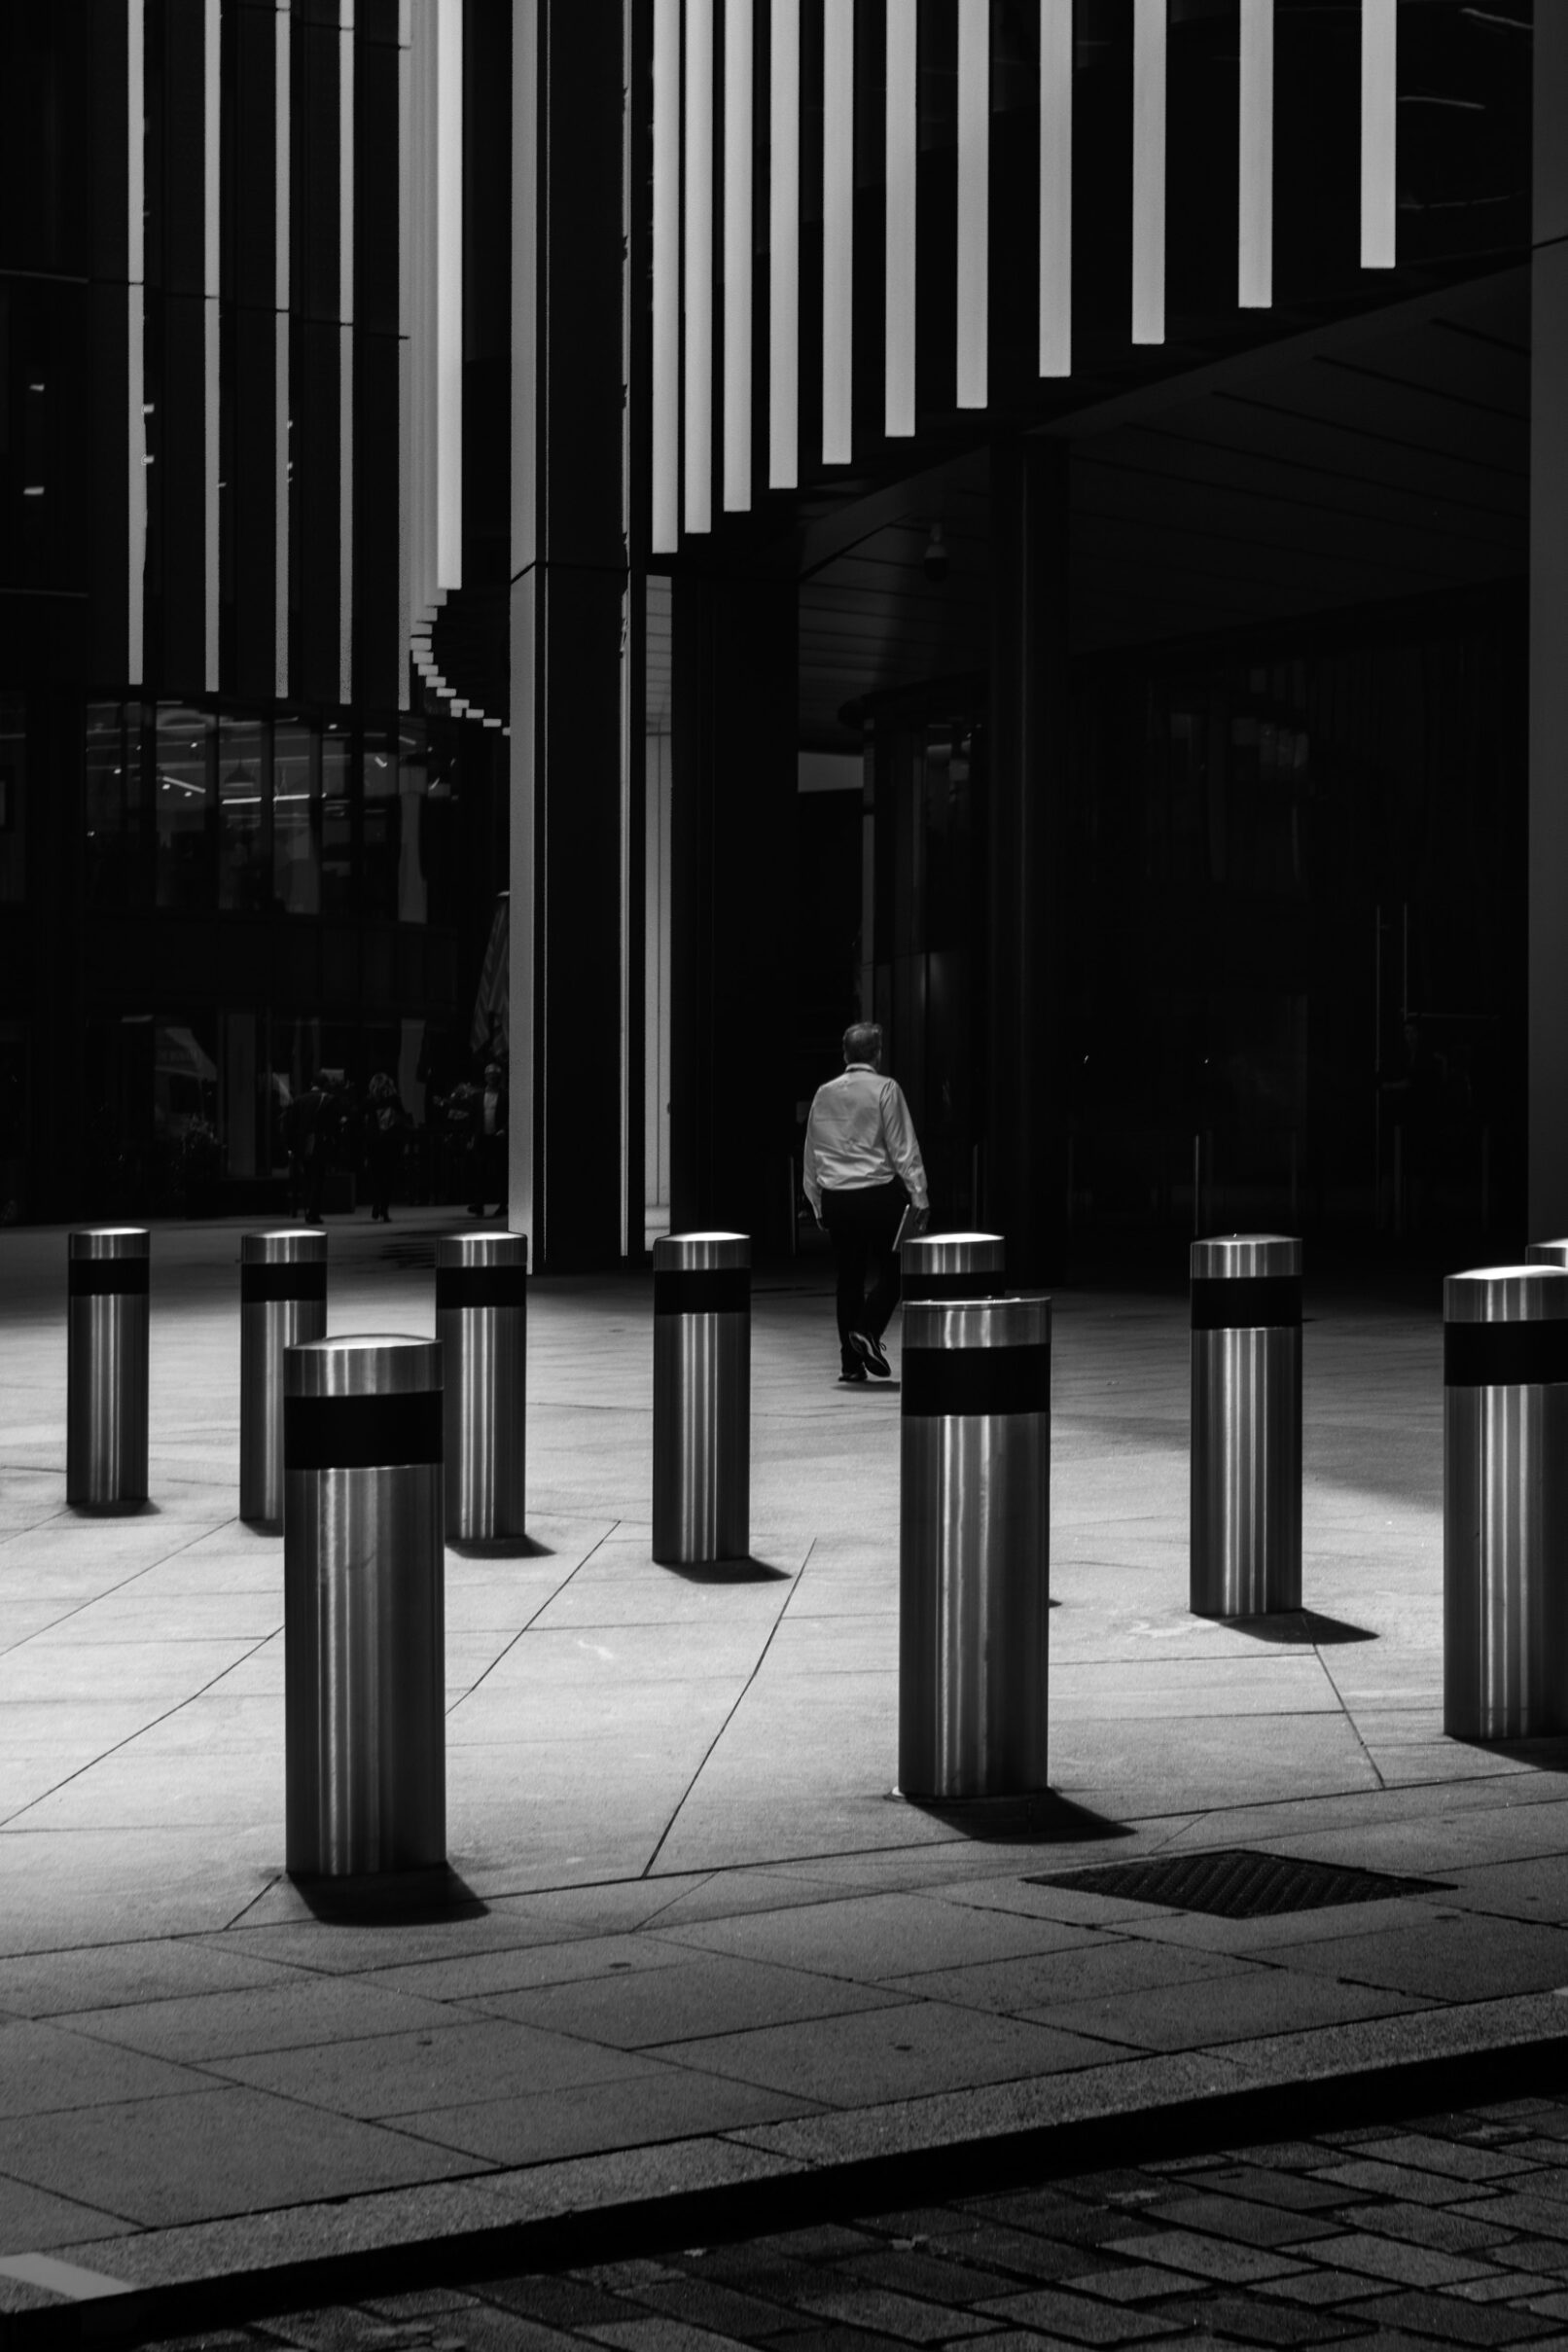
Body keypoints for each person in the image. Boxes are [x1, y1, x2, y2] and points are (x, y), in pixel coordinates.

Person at [802, 1021, 929, 1385]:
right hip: (876, 1193)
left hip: (837, 1198)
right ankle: (868, 1330)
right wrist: (919, 1196)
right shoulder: (886, 1089)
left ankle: (850, 1363)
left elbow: (811, 1152)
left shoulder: (823, 1094)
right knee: (900, 1266)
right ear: (877, 1053)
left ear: (845, 1055)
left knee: (849, 1277)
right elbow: (904, 1149)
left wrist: (817, 1203)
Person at [364, 1071, 407, 1223]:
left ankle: (376, 1202)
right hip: (391, 1140)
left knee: (376, 1175)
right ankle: (385, 1208)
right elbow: (402, 1117)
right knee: (389, 1175)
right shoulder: (394, 1099)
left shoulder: (370, 1100)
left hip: (375, 1141)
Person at [468, 1059, 508, 1217]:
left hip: (498, 1139)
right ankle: (479, 1204)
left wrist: (505, 1129)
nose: (492, 1078)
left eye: (495, 1075)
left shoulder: (505, 1096)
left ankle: (503, 1204)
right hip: (482, 1138)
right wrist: (470, 1138)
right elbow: (473, 1118)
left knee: (500, 1173)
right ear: (485, 1077)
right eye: (489, 1075)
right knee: (479, 1172)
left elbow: (511, 1115)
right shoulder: (478, 1096)